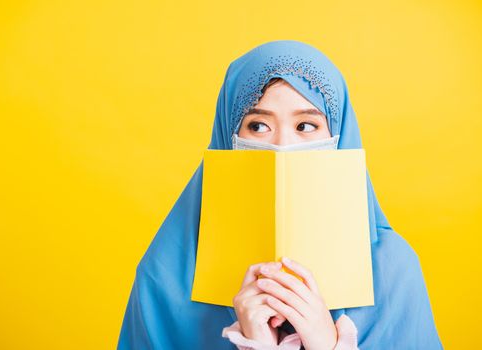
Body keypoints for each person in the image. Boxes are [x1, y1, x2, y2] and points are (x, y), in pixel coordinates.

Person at [117, 40, 443, 349]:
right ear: (227, 137)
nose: (282, 147)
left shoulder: (394, 271)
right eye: (258, 126)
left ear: (340, 139)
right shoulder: (164, 275)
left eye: (305, 126)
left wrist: (329, 344)